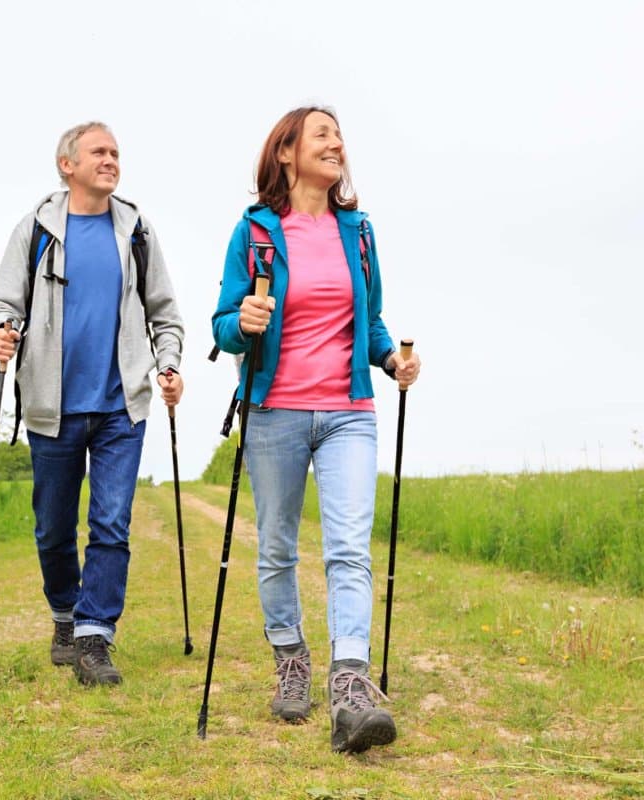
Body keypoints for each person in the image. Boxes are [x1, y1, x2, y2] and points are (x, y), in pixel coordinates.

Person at [211, 106, 421, 753]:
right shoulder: (255, 232)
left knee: (348, 547)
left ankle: (350, 687)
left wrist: (391, 360)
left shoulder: (358, 232)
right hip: (273, 411)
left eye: (339, 135)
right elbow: (223, 326)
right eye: (322, 134)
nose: (337, 143)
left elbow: (373, 320)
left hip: (347, 412)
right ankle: (291, 660)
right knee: (276, 545)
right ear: (286, 153)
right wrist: (241, 318)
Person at [0, 122, 184, 687]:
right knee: (52, 528)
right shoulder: (37, 229)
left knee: (111, 523)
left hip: (123, 403)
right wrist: (1, 330)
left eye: (116, 152)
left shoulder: (136, 230)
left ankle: (95, 638)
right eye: (99, 152)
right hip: (52, 404)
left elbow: (165, 313)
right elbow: (3, 302)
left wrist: (167, 363)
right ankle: (65, 616)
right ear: (66, 164)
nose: (111, 160)